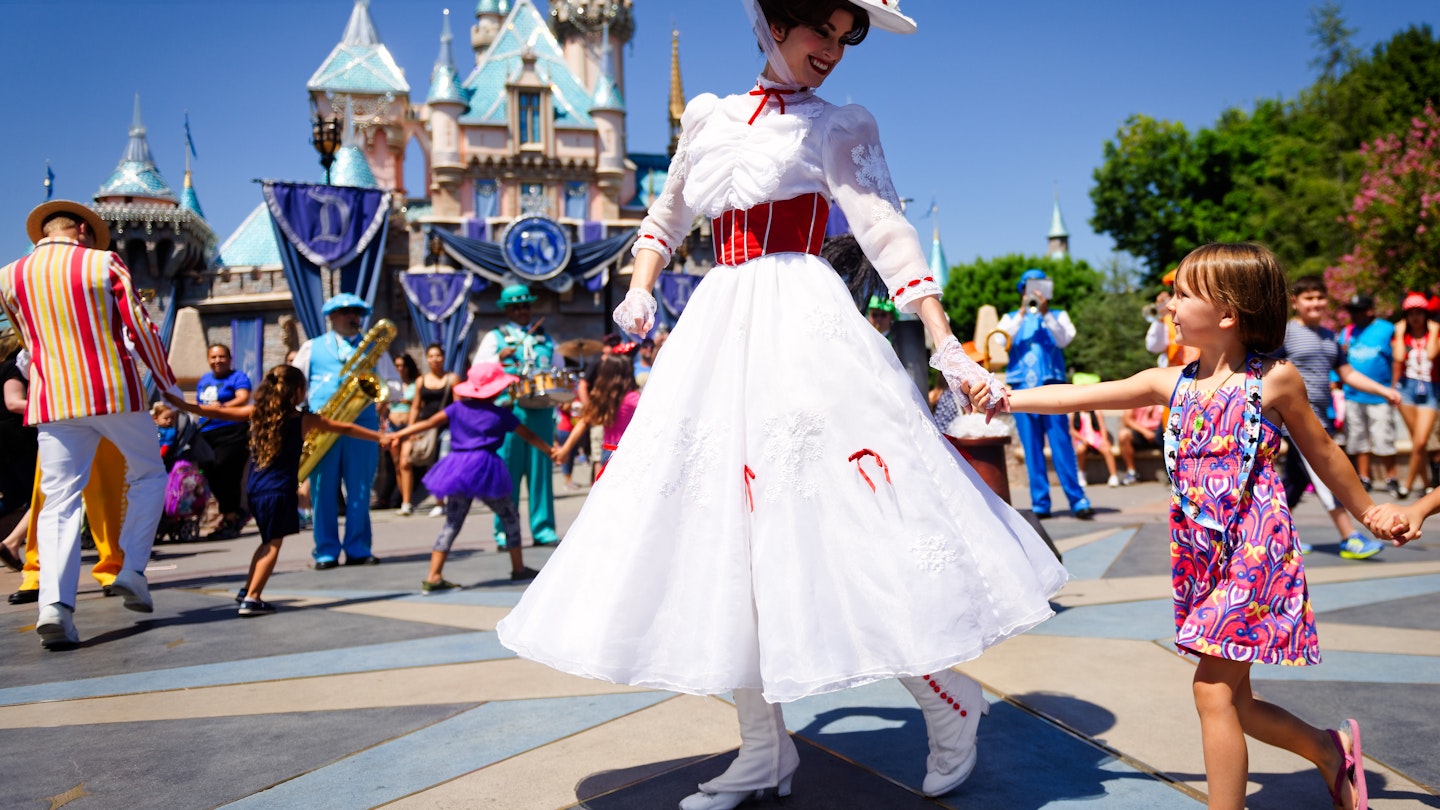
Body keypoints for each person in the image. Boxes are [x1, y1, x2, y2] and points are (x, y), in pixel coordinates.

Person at [495, 2, 1068, 806]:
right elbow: (665, 217)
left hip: (803, 325)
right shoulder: (708, 118)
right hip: (718, 331)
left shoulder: (838, 126)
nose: (831, 50)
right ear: (773, 22)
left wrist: (944, 342)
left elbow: (887, 233)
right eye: (818, 30)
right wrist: (640, 287)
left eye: (844, 36)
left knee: (850, 521)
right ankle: (764, 750)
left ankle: (946, 697)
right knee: (720, 537)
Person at [1004, 242, 1402, 810]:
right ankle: (1328, 750)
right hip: (1202, 556)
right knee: (1238, 705)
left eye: (1183, 295)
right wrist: (1005, 398)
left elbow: (1324, 452)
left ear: (1228, 313)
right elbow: (1074, 396)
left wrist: (1369, 513)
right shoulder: (1170, 383)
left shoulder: (1275, 380)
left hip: (1257, 551)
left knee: (1211, 691)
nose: (1170, 305)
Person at [0, 200, 181, 648]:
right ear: (81, 229)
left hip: (54, 400)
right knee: (148, 475)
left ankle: (54, 606)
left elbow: (29, 342)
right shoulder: (104, 263)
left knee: (59, 501)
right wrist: (167, 384)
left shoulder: (9, 277)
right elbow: (140, 327)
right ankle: (132, 569)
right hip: (112, 391)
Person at [169, 365, 388, 615]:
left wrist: (183, 405)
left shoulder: (257, 413)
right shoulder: (303, 419)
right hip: (279, 490)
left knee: (265, 542)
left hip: (255, 489)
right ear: (298, 391)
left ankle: (247, 589)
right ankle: (253, 598)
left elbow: (218, 412)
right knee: (273, 546)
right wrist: (379, 437)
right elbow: (345, 428)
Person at [389, 362, 552, 590]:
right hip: (485, 468)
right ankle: (519, 568)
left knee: (453, 522)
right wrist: (550, 450)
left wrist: (397, 435)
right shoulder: (501, 414)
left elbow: (428, 423)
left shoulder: (457, 409)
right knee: (509, 516)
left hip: (458, 468)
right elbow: (529, 436)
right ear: (496, 390)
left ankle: (433, 575)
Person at [1276, 276, 1398, 560]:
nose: (1315, 303)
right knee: (1325, 476)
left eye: (1320, 297)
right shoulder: (1285, 333)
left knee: (1295, 482)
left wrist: (1384, 390)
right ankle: (1349, 536)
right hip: (1295, 420)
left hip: (1321, 418)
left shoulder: (1331, 337)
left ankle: (1275, 535)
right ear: (1295, 302)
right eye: (1309, 298)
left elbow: (1348, 374)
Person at [291, 293, 395, 569]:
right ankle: (325, 550)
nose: (353, 317)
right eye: (346, 312)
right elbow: (294, 384)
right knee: (322, 489)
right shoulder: (312, 347)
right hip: (323, 424)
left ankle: (358, 548)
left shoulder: (373, 347)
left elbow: (393, 382)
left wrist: (384, 397)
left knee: (360, 488)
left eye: (356, 312)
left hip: (362, 424)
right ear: (332, 317)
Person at [998, 268, 1093, 519]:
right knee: (1031, 447)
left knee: (1061, 443)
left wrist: (1045, 313)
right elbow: (1001, 341)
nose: (1034, 293)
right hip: (1022, 389)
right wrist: (1022, 312)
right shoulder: (1010, 318)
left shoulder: (1058, 316)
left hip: (1053, 388)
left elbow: (1064, 340)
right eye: (1028, 289)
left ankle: (1077, 499)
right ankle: (1040, 502)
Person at [471, 284, 560, 547]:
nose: (522, 311)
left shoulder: (546, 338)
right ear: (507, 310)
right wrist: (498, 359)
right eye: (516, 307)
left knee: (541, 472)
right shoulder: (494, 338)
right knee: (507, 471)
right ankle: (504, 532)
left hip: (541, 410)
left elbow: (558, 370)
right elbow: (477, 372)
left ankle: (543, 529)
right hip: (508, 412)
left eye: (526, 306)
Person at [1338, 295, 1401, 496]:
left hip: (1380, 395)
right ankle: (1364, 478)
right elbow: (1338, 360)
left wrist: (1394, 387)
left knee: (1383, 438)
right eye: (1352, 311)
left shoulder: (1386, 329)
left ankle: (1391, 478)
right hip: (1353, 395)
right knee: (1358, 439)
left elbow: (1397, 358)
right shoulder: (1347, 331)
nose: (1354, 315)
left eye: (1358, 311)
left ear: (1369, 310)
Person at [195, 343, 252, 539]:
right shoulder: (205, 380)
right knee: (208, 471)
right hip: (207, 432)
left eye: (221, 357)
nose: (217, 361)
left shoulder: (238, 377)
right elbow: (200, 404)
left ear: (229, 359)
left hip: (232, 431)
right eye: (213, 357)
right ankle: (229, 512)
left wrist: (222, 407)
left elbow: (243, 398)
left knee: (227, 472)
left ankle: (231, 517)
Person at [551, 353, 639, 477]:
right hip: (626, 451)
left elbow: (583, 422)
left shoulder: (603, 398)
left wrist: (565, 449)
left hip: (607, 450)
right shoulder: (632, 398)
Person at [1392, 291, 1439, 497]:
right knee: (1416, 441)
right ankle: (1427, 483)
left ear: (1426, 315)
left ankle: (1407, 485)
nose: (1415, 317)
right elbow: (1398, 357)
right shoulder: (1402, 336)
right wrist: (1400, 334)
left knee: (1420, 441)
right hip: (1407, 389)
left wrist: (1434, 331)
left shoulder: (1434, 334)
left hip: (1431, 389)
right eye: (1411, 313)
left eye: (1419, 312)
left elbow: (1432, 354)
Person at [411, 344, 460, 517]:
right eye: (431, 356)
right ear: (426, 359)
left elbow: (458, 405)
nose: (435, 359)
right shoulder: (421, 381)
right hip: (426, 428)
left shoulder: (452, 378)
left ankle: (448, 499)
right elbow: (416, 406)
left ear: (443, 358)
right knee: (429, 463)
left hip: (447, 427)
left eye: (438, 355)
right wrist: (411, 429)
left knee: (444, 461)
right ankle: (437, 501)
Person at [388, 353, 421, 515]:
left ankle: (408, 501)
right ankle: (404, 499)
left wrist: (406, 401)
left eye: (403, 365)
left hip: (408, 426)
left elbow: (419, 404)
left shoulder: (415, 384)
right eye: (397, 366)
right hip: (392, 426)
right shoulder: (391, 385)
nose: (400, 369)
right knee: (397, 465)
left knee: (405, 462)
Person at [1116, 404, 1165, 485]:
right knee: (1123, 435)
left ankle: (1175, 472)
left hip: (1161, 431)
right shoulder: (1135, 398)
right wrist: (1145, 431)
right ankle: (1132, 473)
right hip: (1140, 431)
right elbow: (1127, 419)